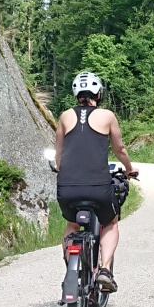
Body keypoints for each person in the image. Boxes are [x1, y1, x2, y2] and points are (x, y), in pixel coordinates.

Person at [55, 71, 137, 292]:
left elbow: (59, 153)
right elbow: (120, 149)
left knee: (72, 225)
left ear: (76, 95)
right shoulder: (107, 116)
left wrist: (58, 167)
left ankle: (71, 270)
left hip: (67, 189)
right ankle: (105, 270)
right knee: (110, 222)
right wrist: (129, 169)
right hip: (98, 188)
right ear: (98, 94)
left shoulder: (65, 116)